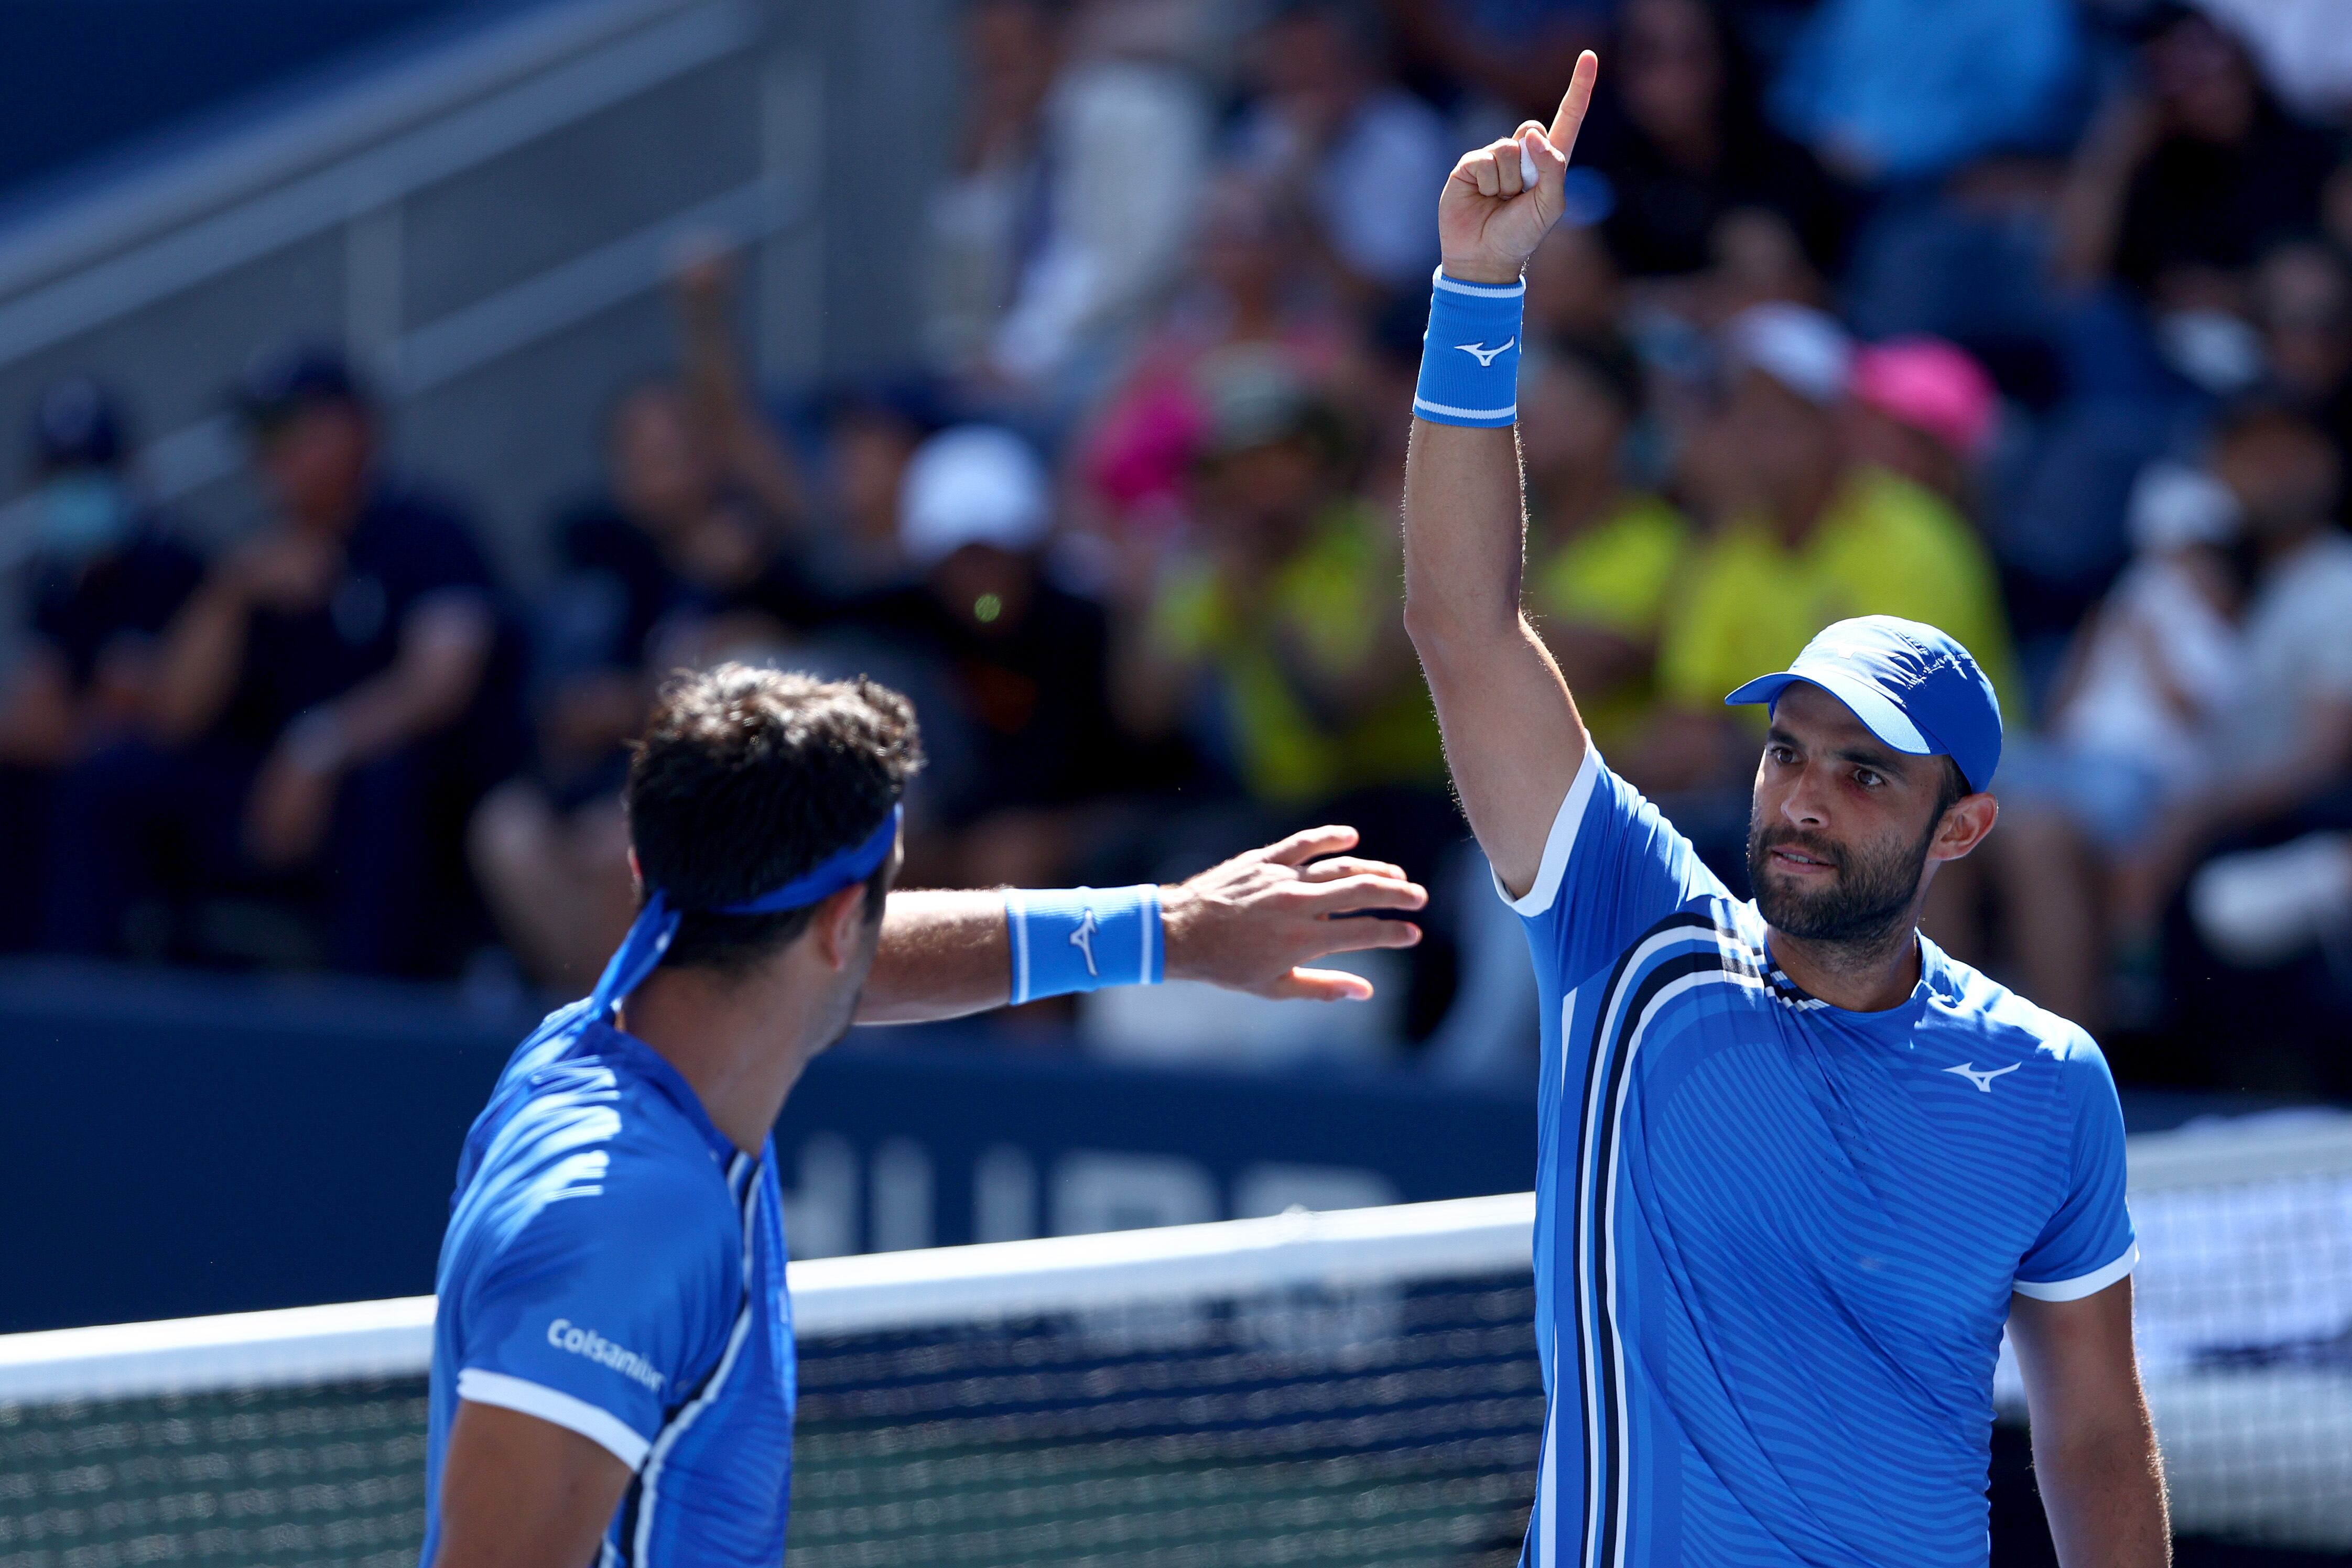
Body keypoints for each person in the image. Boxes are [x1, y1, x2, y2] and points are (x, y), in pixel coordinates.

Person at [1399, 60, 2166, 1565]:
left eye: (1862, 772)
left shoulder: (2048, 1080)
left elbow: (2087, 1429)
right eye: (1786, 752)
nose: (1801, 798)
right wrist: (1475, 296)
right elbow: (1461, 625)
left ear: (1959, 830)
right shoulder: (1631, 939)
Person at [421, 663, 1429, 1563]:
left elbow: (840, 956)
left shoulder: (607, 1030)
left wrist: (1169, 930)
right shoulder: (627, 1225)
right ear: (834, 924)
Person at [49, 347, 524, 973]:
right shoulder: (256, 555)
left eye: (288, 426)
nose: (268, 450)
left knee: (388, 782)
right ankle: (82, 999)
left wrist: (318, 745)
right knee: (112, 775)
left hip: (398, 791)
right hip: (272, 792)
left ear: (356, 428)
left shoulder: (428, 532)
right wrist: (231, 593)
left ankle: (361, 1017)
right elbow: (174, 718)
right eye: (257, 431)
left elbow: (440, 682)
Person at [0, 379, 203, 950]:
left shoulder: (169, 563)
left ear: (129, 469)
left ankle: (74, 986)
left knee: (98, 781)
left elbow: (149, 715)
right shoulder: (53, 575)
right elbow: (35, 716)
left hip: (178, 775)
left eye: (88, 470)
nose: (73, 489)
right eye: (59, 472)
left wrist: (68, 720)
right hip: (90, 760)